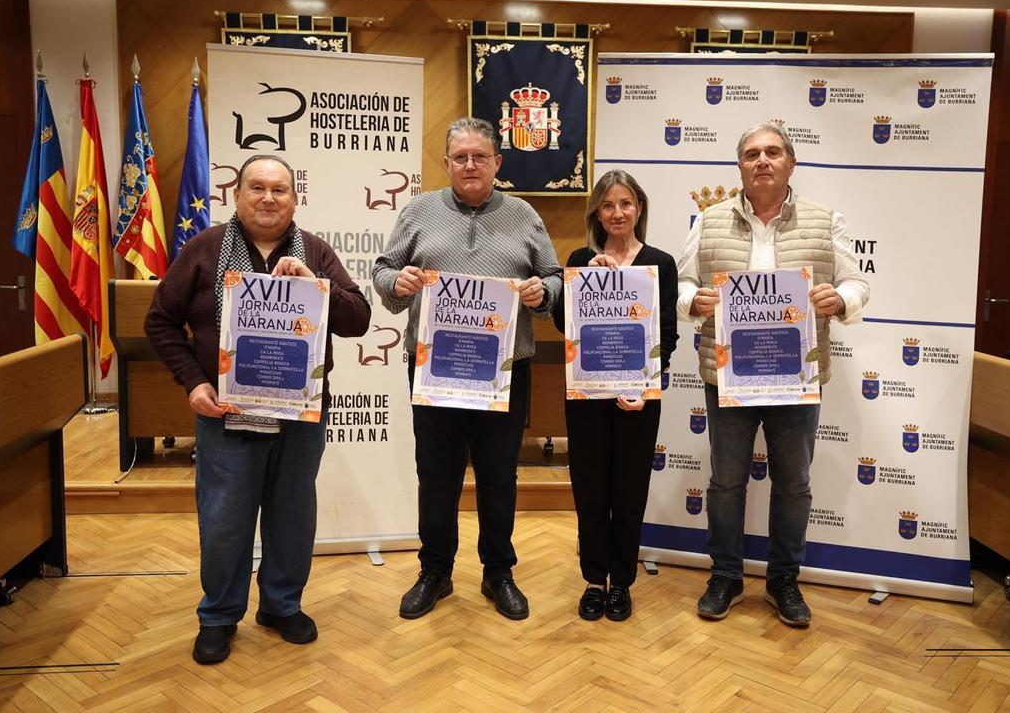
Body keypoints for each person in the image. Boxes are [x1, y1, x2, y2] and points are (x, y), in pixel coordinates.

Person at [145, 154, 371, 664]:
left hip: (300, 417)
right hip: (226, 414)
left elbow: (357, 320)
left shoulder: (315, 251)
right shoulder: (205, 249)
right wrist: (193, 381)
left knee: (292, 514)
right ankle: (218, 616)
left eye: (279, 189)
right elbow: (160, 321)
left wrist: (316, 285)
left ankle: (281, 605)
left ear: (295, 198)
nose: (268, 198)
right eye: (257, 188)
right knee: (225, 518)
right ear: (237, 194)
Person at [677, 122, 869, 627]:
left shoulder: (826, 220)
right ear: (740, 165)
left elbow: (856, 283)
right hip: (728, 376)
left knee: (794, 483)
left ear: (791, 163)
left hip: (795, 377)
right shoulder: (709, 220)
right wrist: (692, 300)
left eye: (772, 152)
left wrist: (839, 298)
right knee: (725, 482)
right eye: (751, 154)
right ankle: (726, 576)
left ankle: (784, 580)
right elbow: (682, 281)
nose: (762, 160)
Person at [372, 117, 562, 621]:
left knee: (499, 475)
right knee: (437, 475)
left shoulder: (524, 215)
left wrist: (544, 292)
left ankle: (498, 572)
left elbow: (554, 277)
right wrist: (397, 282)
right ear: (447, 163)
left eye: (480, 157)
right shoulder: (418, 211)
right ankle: (435, 571)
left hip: (504, 370)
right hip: (435, 369)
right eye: (461, 157)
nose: (471, 165)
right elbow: (383, 270)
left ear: (498, 162)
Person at [552, 170, 678, 621]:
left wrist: (648, 387)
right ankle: (593, 579)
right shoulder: (580, 258)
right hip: (586, 396)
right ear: (597, 214)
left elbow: (667, 334)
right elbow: (562, 324)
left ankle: (621, 581)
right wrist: (583, 281)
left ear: (639, 208)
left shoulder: (661, 263)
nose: (617, 213)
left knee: (629, 490)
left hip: (638, 398)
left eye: (625, 203)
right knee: (589, 490)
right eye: (608, 205)